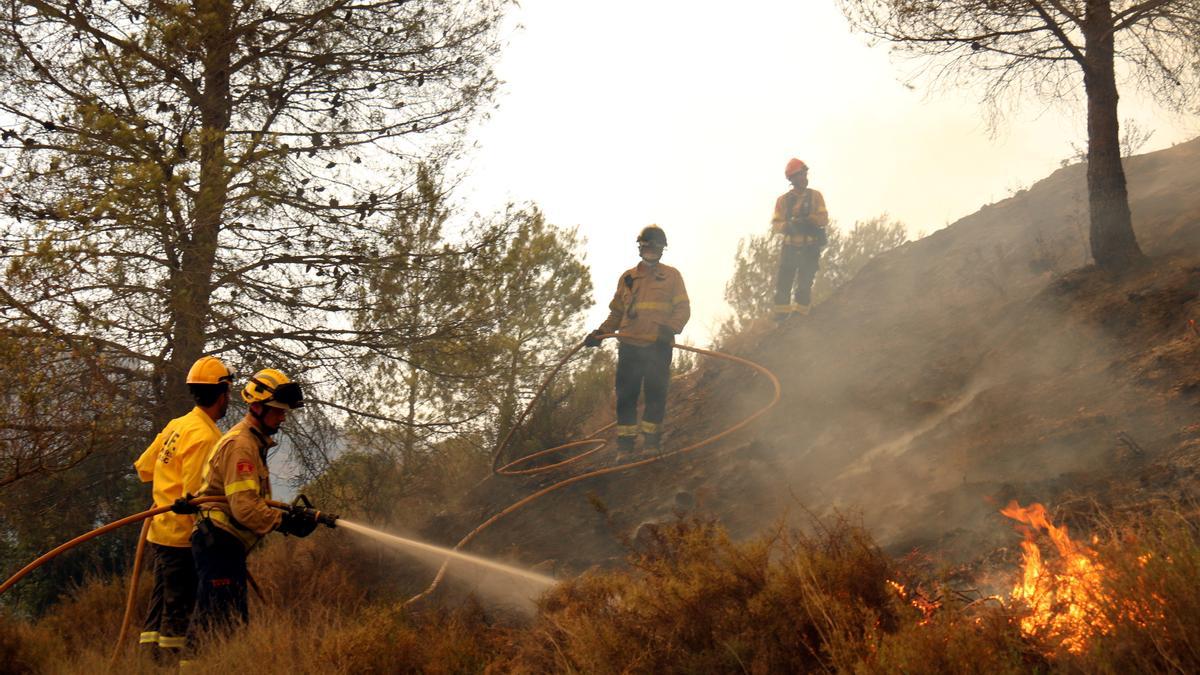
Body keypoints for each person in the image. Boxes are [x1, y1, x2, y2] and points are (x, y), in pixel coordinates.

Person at [187, 368, 316, 645]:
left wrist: (289, 515)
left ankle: (208, 663)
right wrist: (285, 522)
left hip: (225, 545)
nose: (282, 417)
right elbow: (245, 508)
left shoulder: (252, 443)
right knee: (217, 627)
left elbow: (249, 500)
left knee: (227, 625)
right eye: (278, 411)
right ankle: (197, 664)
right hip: (218, 543)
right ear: (257, 407)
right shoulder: (241, 446)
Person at [133, 355, 233, 663]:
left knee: (159, 608)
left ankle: (147, 664)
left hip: (159, 533)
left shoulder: (178, 425)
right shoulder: (207, 438)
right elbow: (196, 498)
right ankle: (170, 665)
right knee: (178, 612)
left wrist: (166, 486)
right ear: (222, 394)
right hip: (182, 540)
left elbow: (144, 468)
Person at [585, 225, 690, 458]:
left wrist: (670, 329)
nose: (651, 249)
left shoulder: (672, 276)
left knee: (655, 395)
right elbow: (616, 313)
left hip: (658, 347)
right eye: (646, 245)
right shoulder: (627, 278)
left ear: (662, 249)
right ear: (640, 247)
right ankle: (625, 448)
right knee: (626, 397)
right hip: (629, 347)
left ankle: (652, 444)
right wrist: (600, 333)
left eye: (656, 246)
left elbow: (683, 308)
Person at [771, 158, 829, 320]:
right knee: (783, 287)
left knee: (804, 287)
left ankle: (799, 320)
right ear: (792, 179)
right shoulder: (782, 201)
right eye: (800, 175)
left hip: (809, 249)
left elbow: (824, 218)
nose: (804, 178)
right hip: (790, 249)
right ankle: (781, 321)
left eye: (804, 174)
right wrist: (788, 226)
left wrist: (810, 220)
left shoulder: (816, 196)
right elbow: (776, 224)